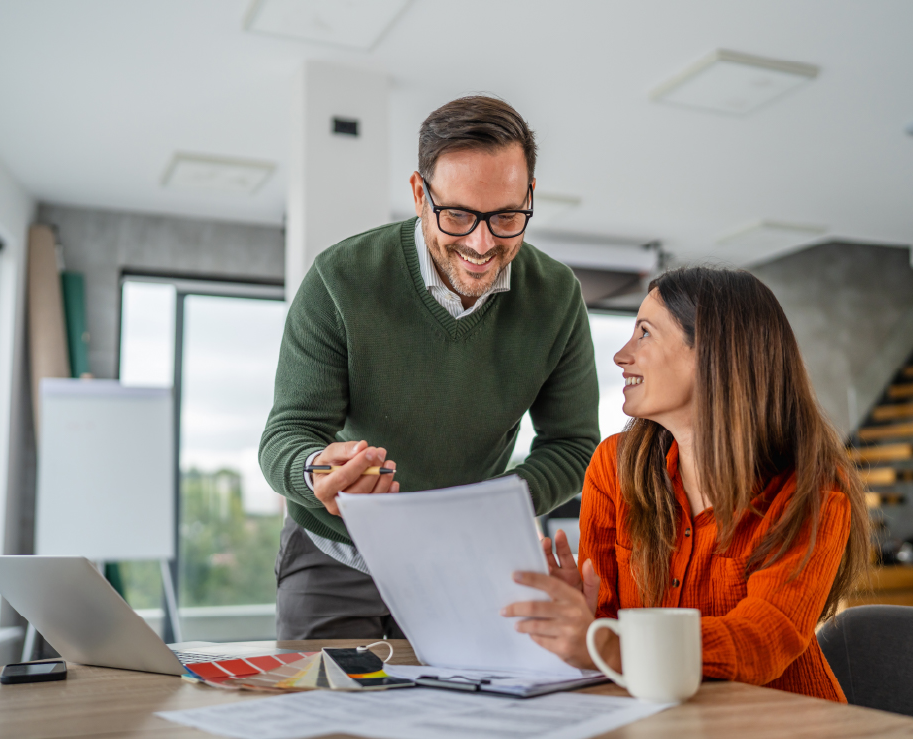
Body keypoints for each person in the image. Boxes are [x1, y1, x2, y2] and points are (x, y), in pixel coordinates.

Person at [260, 95, 601, 640]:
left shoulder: (557, 296)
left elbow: (574, 444)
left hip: (468, 562)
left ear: (530, 196)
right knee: (328, 721)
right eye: (459, 214)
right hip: (335, 557)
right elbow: (286, 436)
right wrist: (318, 472)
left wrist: (484, 510)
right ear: (420, 194)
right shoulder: (340, 277)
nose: (482, 243)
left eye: (508, 217)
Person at [502, 266, 871, 702]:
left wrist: (610, 645)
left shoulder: (813, 488)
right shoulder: (613, 468)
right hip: (655, 718)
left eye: (644, 333)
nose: (622, 355)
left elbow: (762, 639)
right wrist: (575, 618)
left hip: (782, 722)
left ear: (713, 352)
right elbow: (603, 631)